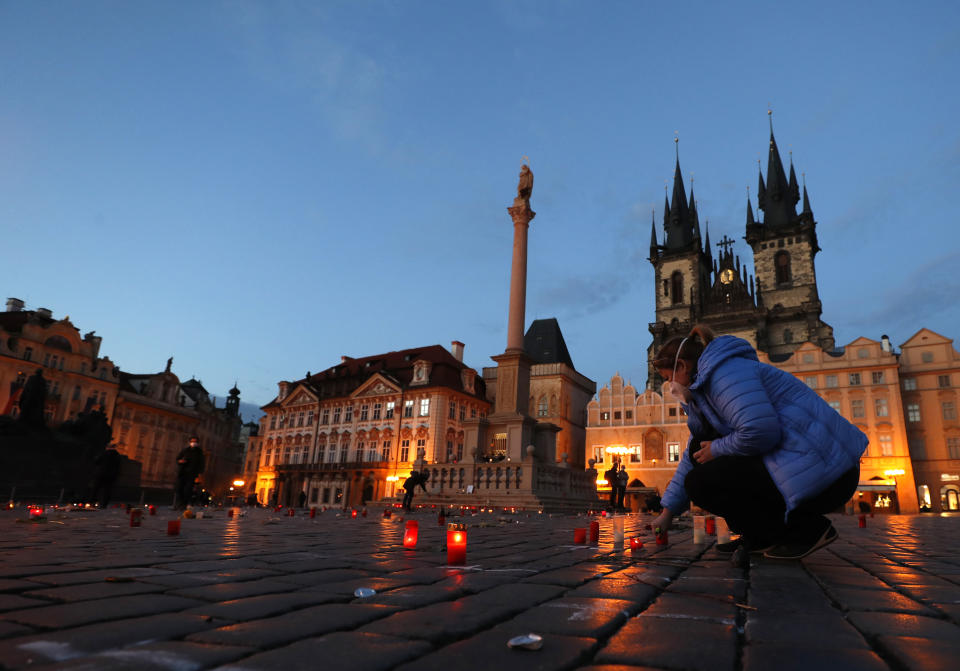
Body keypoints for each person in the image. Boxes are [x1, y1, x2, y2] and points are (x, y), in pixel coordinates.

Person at [651, 324, 867, 561]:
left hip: (829, 472)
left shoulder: (725, 375)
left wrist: (718, 448)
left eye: (668, 378)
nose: (670, 386)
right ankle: (761, 536)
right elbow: (693, 455)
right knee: (699, 465)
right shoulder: (703, 396)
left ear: (682, 366)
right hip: (805, 468)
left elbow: (761, 431)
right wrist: (667, 513)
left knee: (703, 482)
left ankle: (805, 530)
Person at [175, 436, 205, 510]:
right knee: (179, 488)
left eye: (195, 442)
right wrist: (180, 461)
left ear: (197, 443)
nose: (193, 443)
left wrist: (199, 473)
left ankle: (184, 504)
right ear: (189, 442)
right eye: (192, 441)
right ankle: (179, 503)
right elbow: (178, 458)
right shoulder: (185, 450)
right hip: (182, 472)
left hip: (192, 473)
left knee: (188, 490)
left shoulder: (199, 452)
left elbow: (202, 463)